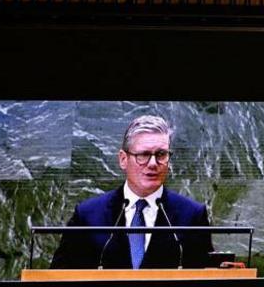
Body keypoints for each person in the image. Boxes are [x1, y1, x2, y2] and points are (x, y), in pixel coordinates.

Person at [51, 115, 213, 270]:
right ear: (123, 159)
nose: (153, 163)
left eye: (161, 154)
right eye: (143, 155)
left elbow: (207, 277)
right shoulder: (88, 215)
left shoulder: (192, 215)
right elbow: (58, 275)